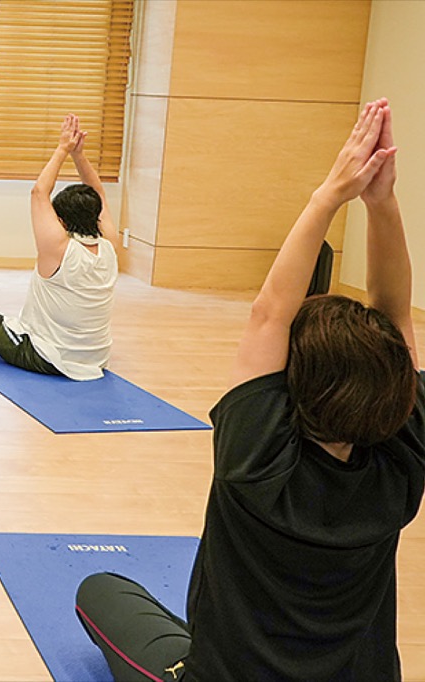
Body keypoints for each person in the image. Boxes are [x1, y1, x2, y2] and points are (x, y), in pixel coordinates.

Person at [75, 99, 423, 681]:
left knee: (99, 589)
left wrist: (331, 195)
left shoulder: (256, 459)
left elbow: (269, 313)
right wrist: (381, 203)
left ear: (291, 387)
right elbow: (395, 312)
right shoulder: (402, 464)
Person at [0, 114, 119, 380]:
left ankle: (31, 345)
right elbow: (99, 194)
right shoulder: (110, 247)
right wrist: (79, 155)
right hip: (97, 360)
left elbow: (39, 193)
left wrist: (63, 148)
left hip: (49, 358)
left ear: (61, 221)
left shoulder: (58, 249)